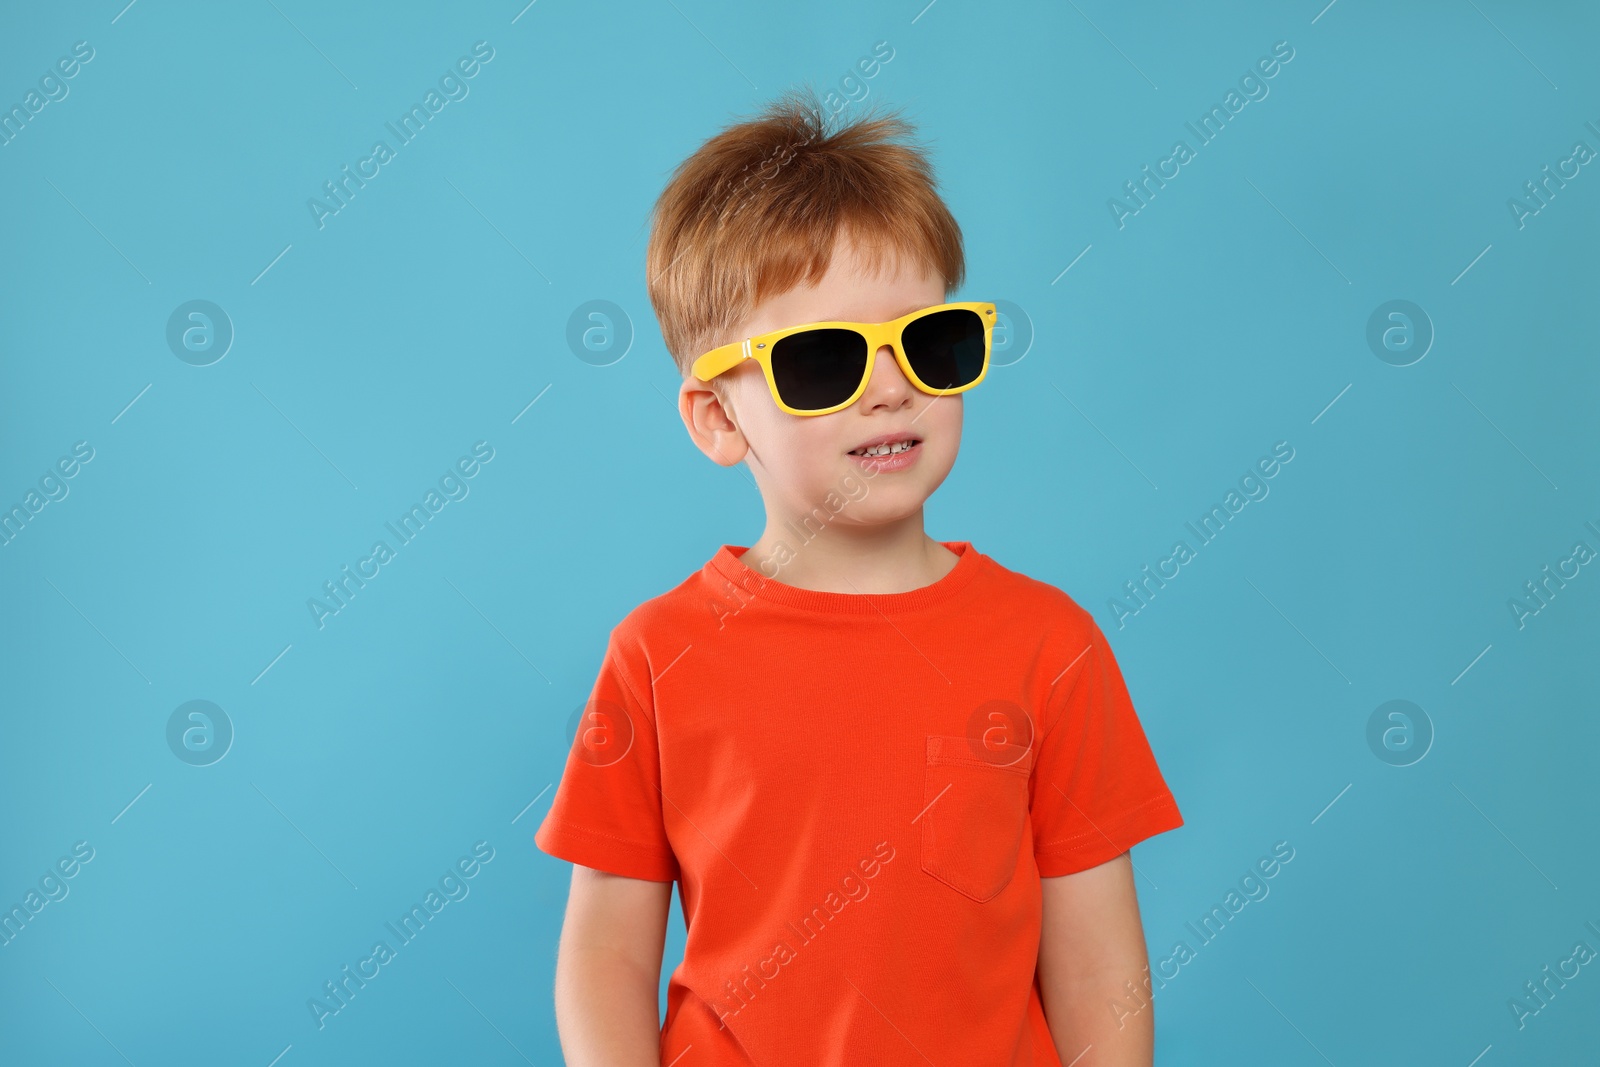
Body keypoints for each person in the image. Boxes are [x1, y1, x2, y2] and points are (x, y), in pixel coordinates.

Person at [534, 86, 1184, 1067]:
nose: (890, 387)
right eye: (821, 361)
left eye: (929, 342)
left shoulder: (1051, 646)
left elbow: (1097, 965)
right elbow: (604, 950)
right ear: (718, 419)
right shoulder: (658, 655)